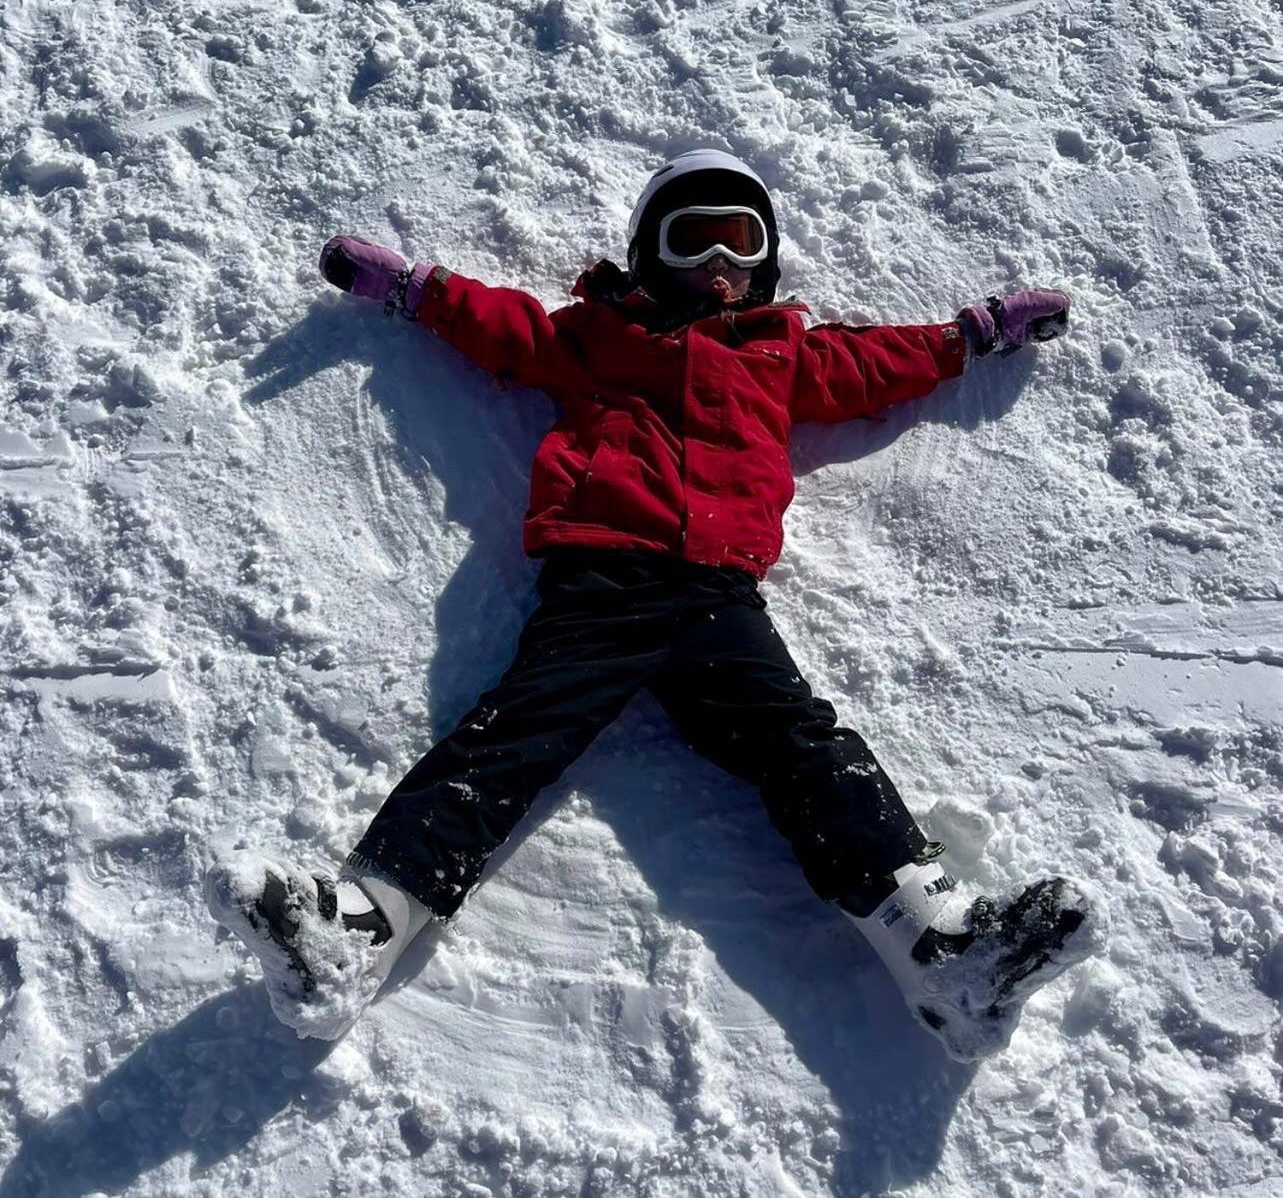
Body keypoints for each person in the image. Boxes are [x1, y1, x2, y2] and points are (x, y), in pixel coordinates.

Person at [207, 149, 1104, 1059]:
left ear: (765, 262)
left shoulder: (783, 350)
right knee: (514, 736)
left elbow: (883, 363)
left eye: (739, 242)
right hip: (604, 579)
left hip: (717, 590)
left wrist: (977, 331)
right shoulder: (600, 334)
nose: (719, 262)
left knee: (802, 744)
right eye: (692, 240)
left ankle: (943, 950)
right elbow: (503, 327)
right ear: (646, 257)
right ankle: (359, 930)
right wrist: (411, 286)